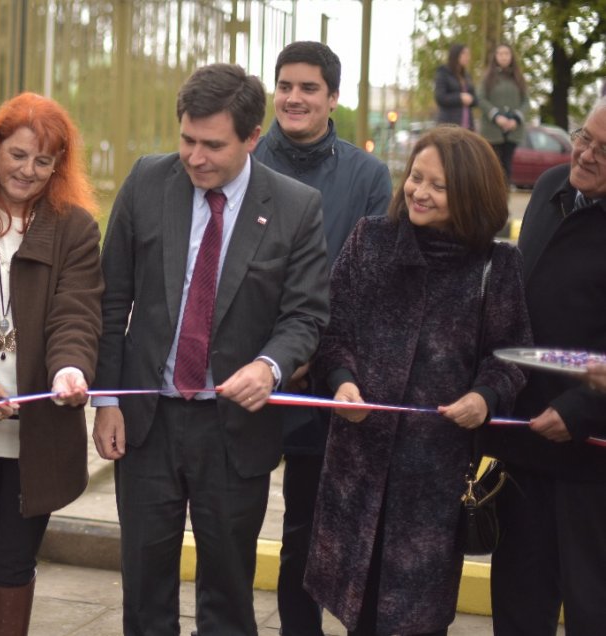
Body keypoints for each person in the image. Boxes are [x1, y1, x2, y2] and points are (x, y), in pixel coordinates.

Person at [92, 62, 330, 635]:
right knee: (144, 588)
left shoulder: (296, 207)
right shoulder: (148, 182)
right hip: (147, 421)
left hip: (235, 431)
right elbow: (108, 298)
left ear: (252, 138)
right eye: (187, 140)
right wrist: (105, 399)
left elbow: (306, 314)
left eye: (213, 145)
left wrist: (270, 366)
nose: (195, 157)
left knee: (227, 591)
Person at [304, 125, 532, 636]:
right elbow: (332, 329)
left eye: (438, 185)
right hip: (357, 466)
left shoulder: (497, 265)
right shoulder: (370, 240)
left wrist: (484, 397)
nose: (418, 192)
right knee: (356, 609)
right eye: (415, 177)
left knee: (417, 618)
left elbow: (511, 357)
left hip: (435, 477)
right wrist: (342, 382)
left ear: (472, 193)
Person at [0, 92, 104, 635]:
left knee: (13, 564)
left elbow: (75, 312)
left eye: (43, 160)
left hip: (37, 434)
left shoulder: (73, 228)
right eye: (17, 155)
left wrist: (69, 369)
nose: (28, 171)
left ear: (59, 166)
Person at [251, 41, 392, 636]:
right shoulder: (247, 158)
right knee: (236, 527)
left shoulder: (367, 177)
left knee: (307, 533)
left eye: (309, 88)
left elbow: (372, 285)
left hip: (325, 382)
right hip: (251, 377)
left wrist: (321, 360)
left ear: (333, 98)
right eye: (285, 85)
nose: (294, 97)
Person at [482, 98, 606, 636]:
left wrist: (580, 410)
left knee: (592, 609)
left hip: (591, 456)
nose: (586, 154)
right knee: (517, 604)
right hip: (524, 443)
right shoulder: (552, 186)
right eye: (585, 137)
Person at [477, 44, 530, 184]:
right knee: (492, 168)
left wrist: (516, 119)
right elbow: (480, 99)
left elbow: (526, 102)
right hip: (492, 130)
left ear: (511, 56)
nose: (503, 56)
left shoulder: (518, 78)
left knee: (507, 169)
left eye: (506, 53)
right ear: (495, 57)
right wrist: (496, 116)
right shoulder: (488, 78)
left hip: (513, 131)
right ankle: (489, 202)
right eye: (500, 53)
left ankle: (503, 202)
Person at [435, 43, 476, 129]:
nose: (467, 57)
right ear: (456, 55)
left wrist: (471, 99)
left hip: (467, 123)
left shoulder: (467, 76)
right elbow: (440, 97)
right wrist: (459, 98)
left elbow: (475, 98)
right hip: (449, 123)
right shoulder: (443, 73)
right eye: (464, 54)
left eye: (468, 54)